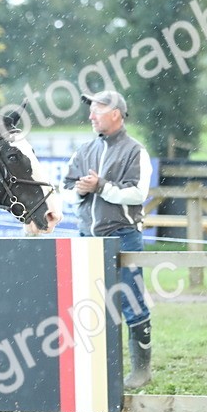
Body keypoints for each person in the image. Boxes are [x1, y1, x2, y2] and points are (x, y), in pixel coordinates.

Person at [64, 90, 154, 389]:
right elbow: (66, 190)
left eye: (97, 111)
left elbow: (138, 194)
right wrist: (80, 190)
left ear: (116, 113)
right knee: (87, 306)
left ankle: (141, 371)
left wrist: (100, 186)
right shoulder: (83, 150)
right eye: (91, 110)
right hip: (86, 237)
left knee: (131, 302)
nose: (90, 115)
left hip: (123, 237)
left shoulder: (135, 151)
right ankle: (95, 374)